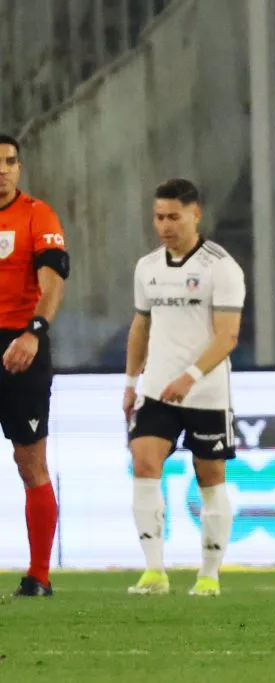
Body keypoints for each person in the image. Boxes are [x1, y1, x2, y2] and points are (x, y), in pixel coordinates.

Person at [124, 178, 245, 597]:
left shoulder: (221, 268)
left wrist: (190, 377)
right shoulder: (147, 268)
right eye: (158, 217)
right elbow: (141, 325)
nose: (164, 225)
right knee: (143, 462)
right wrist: (130, 381)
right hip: (157, 388)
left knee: (209, 477)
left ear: (196, 214)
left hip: (206, 392)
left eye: (173, 216)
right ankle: (154, 571)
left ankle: (209, 575)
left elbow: (227, 336)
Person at [0, 134, 70, 597]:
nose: (2, 170)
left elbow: (52, 281)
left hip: (21, 347)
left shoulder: (36, 215)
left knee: (31, 462)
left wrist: (34, 331)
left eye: (9, 162)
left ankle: (39, 576)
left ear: (19, 167)